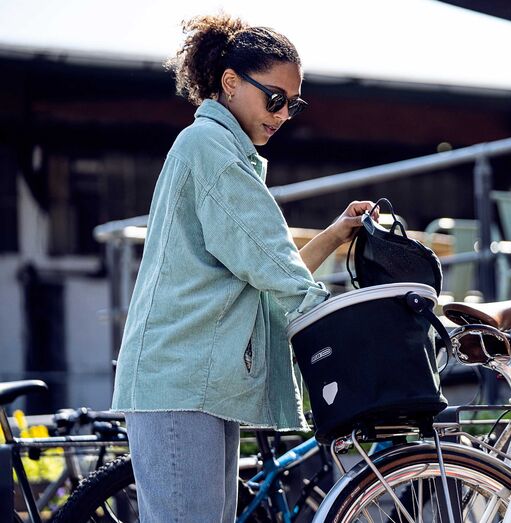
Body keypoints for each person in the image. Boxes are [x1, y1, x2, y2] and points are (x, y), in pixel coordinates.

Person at [111, 13, 374, 522]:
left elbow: (260, 265)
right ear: (230, 83)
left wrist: (336, 233)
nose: (282, 115)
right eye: (274, 98)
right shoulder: (212, 148)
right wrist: (342, 320)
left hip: (195, 381)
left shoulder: (217, 147)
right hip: (182, 381)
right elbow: (268, 260)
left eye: (292, 105)